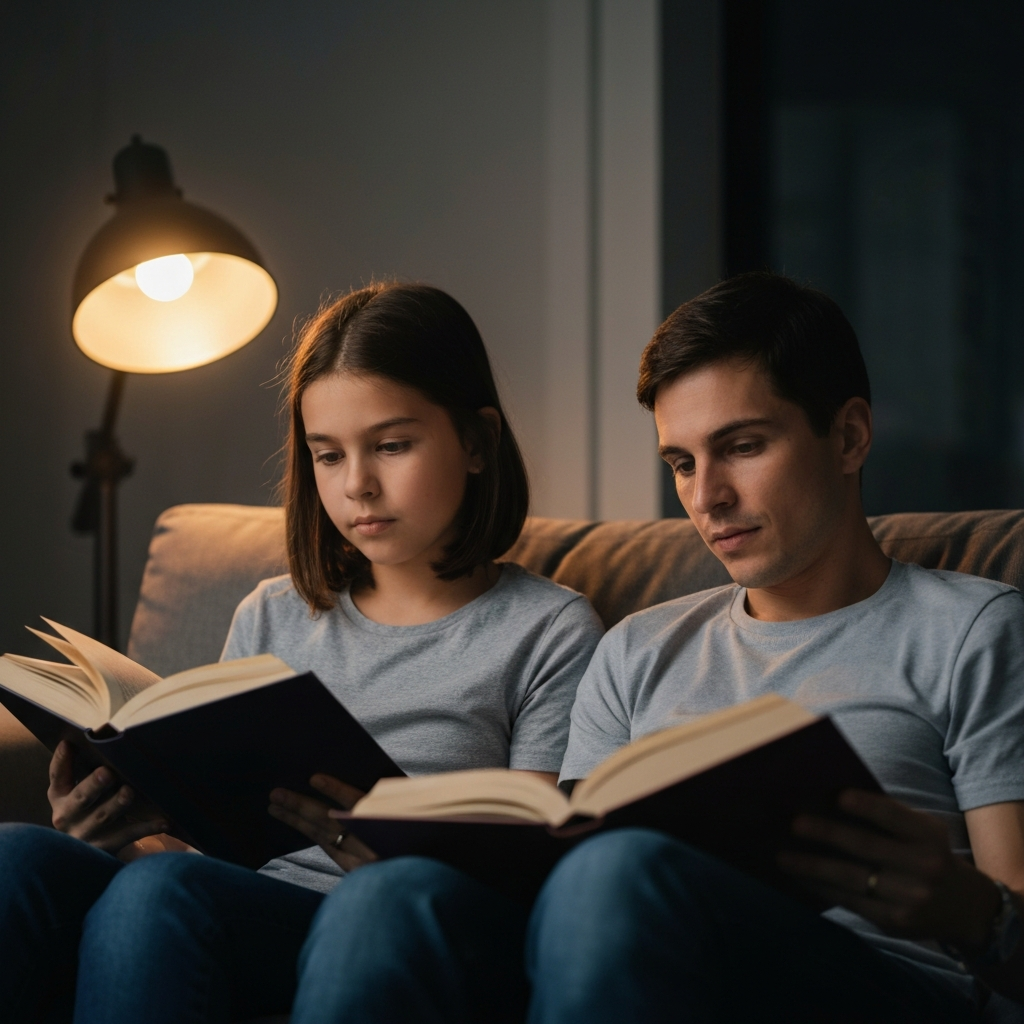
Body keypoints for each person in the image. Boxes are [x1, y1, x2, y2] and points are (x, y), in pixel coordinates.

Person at [294, 272, 1024, 1024]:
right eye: (681, 463)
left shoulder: (974, 631)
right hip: (665, 975)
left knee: (619, 868)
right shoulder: (638, 651)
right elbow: (559, 893)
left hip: (882, 987)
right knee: (394, 894)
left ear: (848, 436)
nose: (706, 496)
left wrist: (966, 908)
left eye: (741, 446)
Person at [0, 282, 604, 1023]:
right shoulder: (272, 614)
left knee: (168, 896)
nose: (358, 486)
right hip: (245, 908)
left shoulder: (549, 630)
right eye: (328, 455)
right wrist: (120, 838)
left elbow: (541, 876)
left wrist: (405, 859)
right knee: (18, 856)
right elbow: (211, 860)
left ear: (476, 442)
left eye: (391, 445)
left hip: (402, 924)